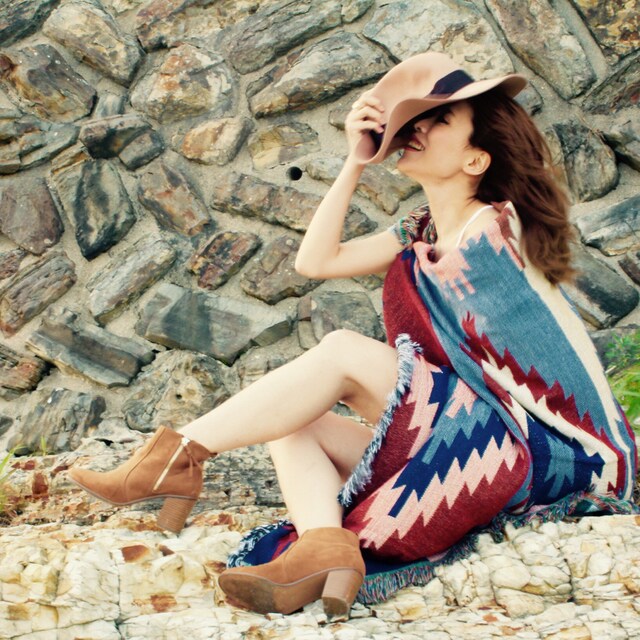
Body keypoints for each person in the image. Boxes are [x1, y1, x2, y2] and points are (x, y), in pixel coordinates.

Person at [68, 52, 638, 618]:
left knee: (341, 350)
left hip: (547, 455)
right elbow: (315, 261)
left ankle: (173, 460)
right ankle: (323, 549)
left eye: (439, 120)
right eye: (415, 122)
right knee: (291, 419)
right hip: (465, 437)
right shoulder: (422, 233)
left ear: (476, 159)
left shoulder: (497, 230)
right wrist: (354, 162)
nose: (416, 131)